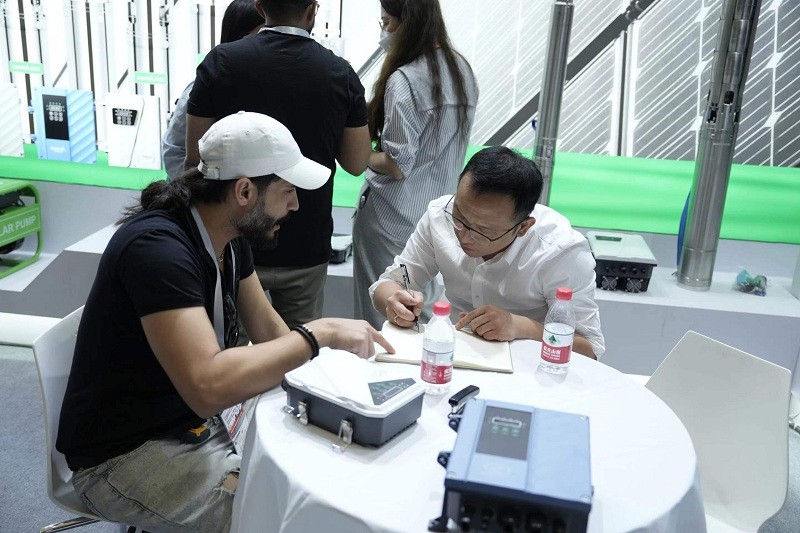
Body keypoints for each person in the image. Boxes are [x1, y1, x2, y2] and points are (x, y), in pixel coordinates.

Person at [57, 112, 392, 532]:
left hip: (190, 425)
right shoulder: (157, 249)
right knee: (275, 517)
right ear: (245, 190)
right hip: (123, 455)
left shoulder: (227, 239)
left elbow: (271, 335)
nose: (295, 204)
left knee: (314, 474)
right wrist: (319, 333)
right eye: (287, 191)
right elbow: (207, 387)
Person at [186, 0, 371, 328]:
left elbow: (196, 159)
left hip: (232, 236)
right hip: (306, 238)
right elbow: (357, 163)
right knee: (299, 357)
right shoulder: (339, 74)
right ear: (312, 11)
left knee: (230, 354)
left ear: (259, 7)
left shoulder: (222, 61)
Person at [370, 146, 605, 359]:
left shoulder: (561, 252)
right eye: (459, 217)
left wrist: (518, 326)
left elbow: (590, 348)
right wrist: (395, 302)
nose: (464, 235)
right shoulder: (439, 215)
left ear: (523, 227)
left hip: (531, 364)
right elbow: (389, 284)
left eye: (483, 231)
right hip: (452, 354)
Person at [353, 0, 479, 329]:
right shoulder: (461, 69)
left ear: (406, 22)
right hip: (439, 214)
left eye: (387, 22)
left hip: (391, 219)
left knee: (388, 316)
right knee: (424, 314)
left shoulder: (405, 79)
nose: (385, 31)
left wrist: (358, 153)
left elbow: (396, 163)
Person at [161, 0, 264, 180]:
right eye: (262, 35)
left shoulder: (269, 84)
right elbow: (175, 150)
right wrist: (203, 195)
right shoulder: (204, 85)